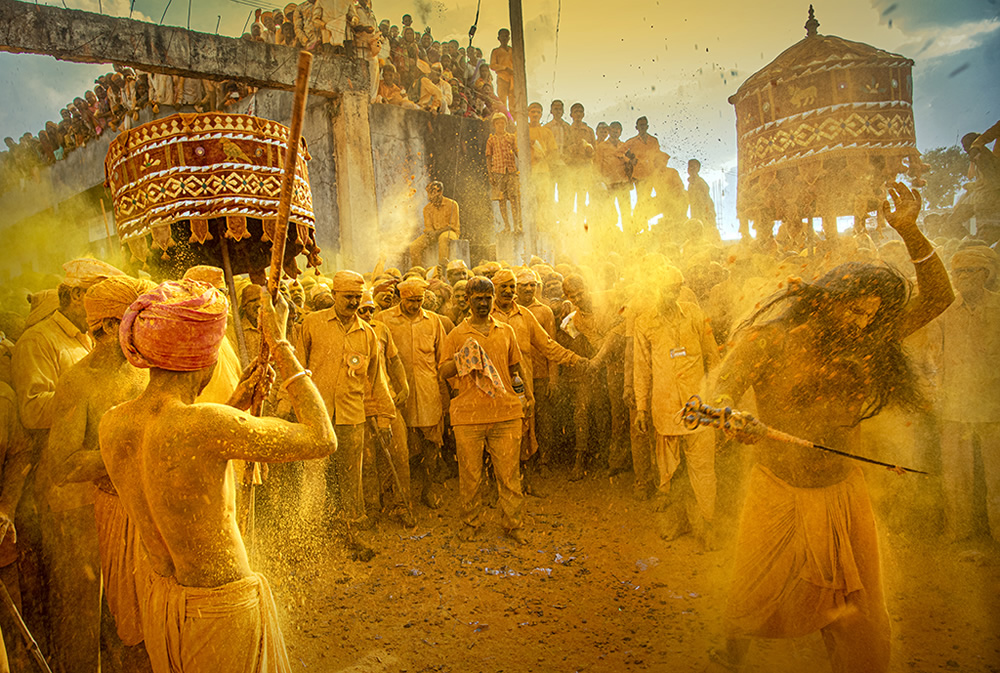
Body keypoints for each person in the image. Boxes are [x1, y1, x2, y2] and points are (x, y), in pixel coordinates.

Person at [706, 183, 954, 673]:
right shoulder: (767, 340)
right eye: (855, 309)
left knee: (856, 607)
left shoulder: (865, 339)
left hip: (844, 491)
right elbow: (721, 391)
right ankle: (729, 659)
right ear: (826, 300)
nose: (863, 323)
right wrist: (731, 416)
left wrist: (910, 232)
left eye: (872, 315)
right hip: (777, 486)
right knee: (753, 592)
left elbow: (939, 297)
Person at [101, 279, 336, 673]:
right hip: (219, 609)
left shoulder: (115, 423)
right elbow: (321, 438)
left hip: (161, 603)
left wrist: (235, 405)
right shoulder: (208, 425)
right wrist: (280, 345)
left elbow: (180, 465)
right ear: (204, 359)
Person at [40, 276, 155, 672]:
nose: (144, 328)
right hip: (106, 515)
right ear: (107, 327)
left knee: (156, 619)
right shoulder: (77, 382)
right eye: (134, 320)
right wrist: (124, 455)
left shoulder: (145, 367)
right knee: (116, 622)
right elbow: (63, 463)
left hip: (154, 510)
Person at [438, 276, 531, 545]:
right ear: (467, 301)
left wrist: (525, 397)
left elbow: (515, 368)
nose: (483, 303)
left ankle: (513, 525)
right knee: (470, 475)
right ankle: (471, 523)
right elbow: (442, 371)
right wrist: (461, 359)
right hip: (468, 415)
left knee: (509, 475)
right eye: (477, 298)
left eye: (487, 298)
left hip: (505, 412)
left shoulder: (505, 330)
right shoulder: (457, 334)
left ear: (493, 299)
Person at [297, 270, 393, 529]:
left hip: (352, 416)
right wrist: (288, 405)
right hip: (317, 414)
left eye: (357, 298)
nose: (353, 303)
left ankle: (352, 521)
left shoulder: (367, 334)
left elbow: (377, 379)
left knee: (352, 473)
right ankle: (311, 526)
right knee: (314, 472)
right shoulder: (312, 324)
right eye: (348, 297)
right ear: (334, 295)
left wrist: (385, 418)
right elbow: (297, 368)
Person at [633, 266, 720, 547]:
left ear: (681, 287)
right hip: (666, 407)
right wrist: (641, 409)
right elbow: (641, 369)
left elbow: (713, 358)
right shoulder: (645, 322)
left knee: (704, 470)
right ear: (654, 289)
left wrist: (720, 398)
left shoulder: (694, 314)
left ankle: (706, 526)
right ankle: (678, 522)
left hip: (699, 407)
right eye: (665, 289)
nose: (671, 295)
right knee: (669, 472)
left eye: (676, 288)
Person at [491, 269, 587, 494]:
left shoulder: (526, 316)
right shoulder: (486, 315)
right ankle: (501, 487)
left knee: (526, 431)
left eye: (511, 286)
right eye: (503, 287)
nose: (508, 291)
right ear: (494, 289)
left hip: (523, 385)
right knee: (499, 435)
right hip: (496, 387)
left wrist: (573, 359)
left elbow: (547, 345)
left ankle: (526, 481)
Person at [935, 246, 1000, 543]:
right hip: (954, 407)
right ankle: (958, 529)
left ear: (986, 274)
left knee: (997, 477)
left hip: (993, 409)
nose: (961, 278)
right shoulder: (945, 312)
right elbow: (935, 358)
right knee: (955, 476)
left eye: (969, 271)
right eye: (957, 272)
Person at [378, 278, 449, 512]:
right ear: (400, 298)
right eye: (410, 301)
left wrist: (445, 391)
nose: (415, 306)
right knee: (400, 446)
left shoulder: (433, 321)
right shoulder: (384, 320)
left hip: (428, 391)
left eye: (419, 301)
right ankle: (398, 496)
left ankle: (427, 489)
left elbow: (443, 358)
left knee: (431, 443)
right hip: (397, 393)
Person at [356, 290, 411, 527]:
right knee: (366, 462)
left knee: (399, 454)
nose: (368, 314)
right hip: (357, 405)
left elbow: (395, 360)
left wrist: (404, 385)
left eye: (371, 309)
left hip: (385, 400)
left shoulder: (381, 330)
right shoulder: (346, 333)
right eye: (362, 310)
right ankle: (372, 508)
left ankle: (402, 506)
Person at [486, 112, 522, 234]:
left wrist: (522, 165)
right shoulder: (491, 139)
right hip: (497, 171)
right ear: (494, 125)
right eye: (497, 123)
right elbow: (488, 157)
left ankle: (516, 226)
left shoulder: (511, 137)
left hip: (511, 170)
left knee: (514, 198)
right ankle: (507, 226)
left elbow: (517, 152)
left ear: (506, 124)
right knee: (501, 199)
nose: (500, 125)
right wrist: (490, 175)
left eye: (502, 122)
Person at [410, 181, 460, 267]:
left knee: (443, 239)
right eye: (428, 193)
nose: (430, 196)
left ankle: (443, 269)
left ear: (440, 192)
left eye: (432, 192)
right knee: (414, 246)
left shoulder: (452, 204)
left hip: (449, 232)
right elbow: (428, 227)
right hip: (433, 234)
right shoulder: (427, 209)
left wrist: (436, 233)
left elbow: (452, 226)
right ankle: (417, 271)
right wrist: (431, 233)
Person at [624, 117, 660, 230]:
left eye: (644, 125)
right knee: (642, 199)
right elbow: (621, 153)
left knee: (649, 199)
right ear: (636, 127)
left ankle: (642, 222)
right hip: (639, 175)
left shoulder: (654, 141)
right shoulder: (631, 142)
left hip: (652, 174)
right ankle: (639, 224)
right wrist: (630, 160)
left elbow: (658, 156)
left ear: (647, 126)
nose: (643, 127)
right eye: (640, 125)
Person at [687, 159, 717, 230]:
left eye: (693, 167)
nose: (691, 169)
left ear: (698, 169)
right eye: (689, 166)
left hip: (704, 214)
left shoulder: (700, 183)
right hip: (696, 213)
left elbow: (705, 200)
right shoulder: (690, 184)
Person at [490, 29, 515, 112]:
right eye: (502, 36)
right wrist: (505, 68)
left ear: (509, 38)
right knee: (502, 100)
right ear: (499, 38)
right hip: (502, 77)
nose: (504, 38)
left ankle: (513, 121)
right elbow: (492, 65)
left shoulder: (513, 50)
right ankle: (504, 117)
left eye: (506, 36)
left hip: (513, 78)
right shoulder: (496, 51)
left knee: (513, 101)